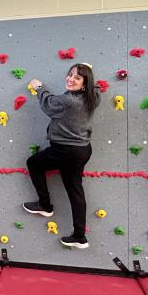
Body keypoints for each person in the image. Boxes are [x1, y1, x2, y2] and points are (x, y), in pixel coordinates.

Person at [24, 64, 100, 249]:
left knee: (33, 163)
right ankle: (80, 237)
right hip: (82, 150)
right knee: (75, 189)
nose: (70, 79)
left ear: (84, 84)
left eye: (77, 78)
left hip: (65, 150)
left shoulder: (69, 102)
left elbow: (49, 104)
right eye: (70, 74)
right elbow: (96, 88)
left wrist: (39, 87)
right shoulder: (93, 96)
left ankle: (45, 205)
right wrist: (87, 70)